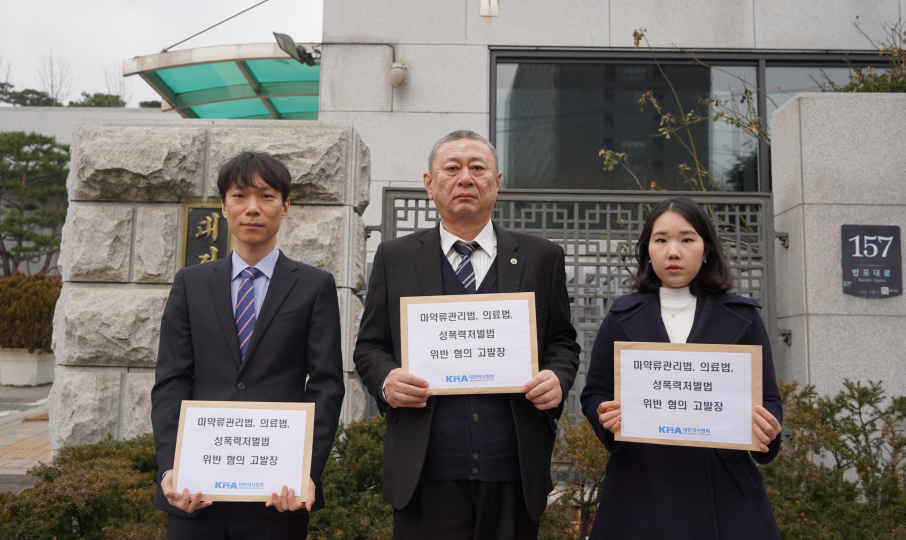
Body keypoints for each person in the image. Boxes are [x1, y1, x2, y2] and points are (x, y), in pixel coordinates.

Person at [354, 130, 581, 540]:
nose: (465, 179)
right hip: (425, 470)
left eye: (478, 169)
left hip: (511, 467)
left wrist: (558, 379)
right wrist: (387, 381)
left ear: (497, 182)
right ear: (430, 183)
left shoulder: (542, 257)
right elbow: (370, 346)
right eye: (452, 168)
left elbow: (562, 342)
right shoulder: (394, 257)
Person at [151, 151, 345, 540]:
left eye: (267, 196)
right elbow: (172, 380)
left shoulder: (313, 285)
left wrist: (305, 471)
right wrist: (173, 469)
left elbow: (326, 384)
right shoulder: (190, 283)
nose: (252, 208)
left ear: (286, 206)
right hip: (196, 495)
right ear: (223, 207)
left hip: (277, 497)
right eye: (240, 196)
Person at [580, 196, 783, 539]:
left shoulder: (743, 316)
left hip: (722, 489)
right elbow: (595, 391)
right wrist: (604, 415)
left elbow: (768, 398)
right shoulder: (621, 315)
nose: (673, 251)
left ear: (706, 250)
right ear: (647, 250)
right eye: (661, 240)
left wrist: (766, 431)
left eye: (687, 239)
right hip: (639, 486)